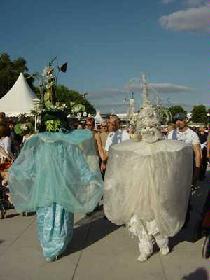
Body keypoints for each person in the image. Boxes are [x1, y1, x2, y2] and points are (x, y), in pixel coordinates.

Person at [167, 113, 201, 187]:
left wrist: (197, 171)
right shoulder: (171, 134)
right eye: (176, 120)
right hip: (174, 167)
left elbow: (197, 153)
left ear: (185, 120)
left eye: (181, 120)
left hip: (187, 168)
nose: (178, 122)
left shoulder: (192, 134)